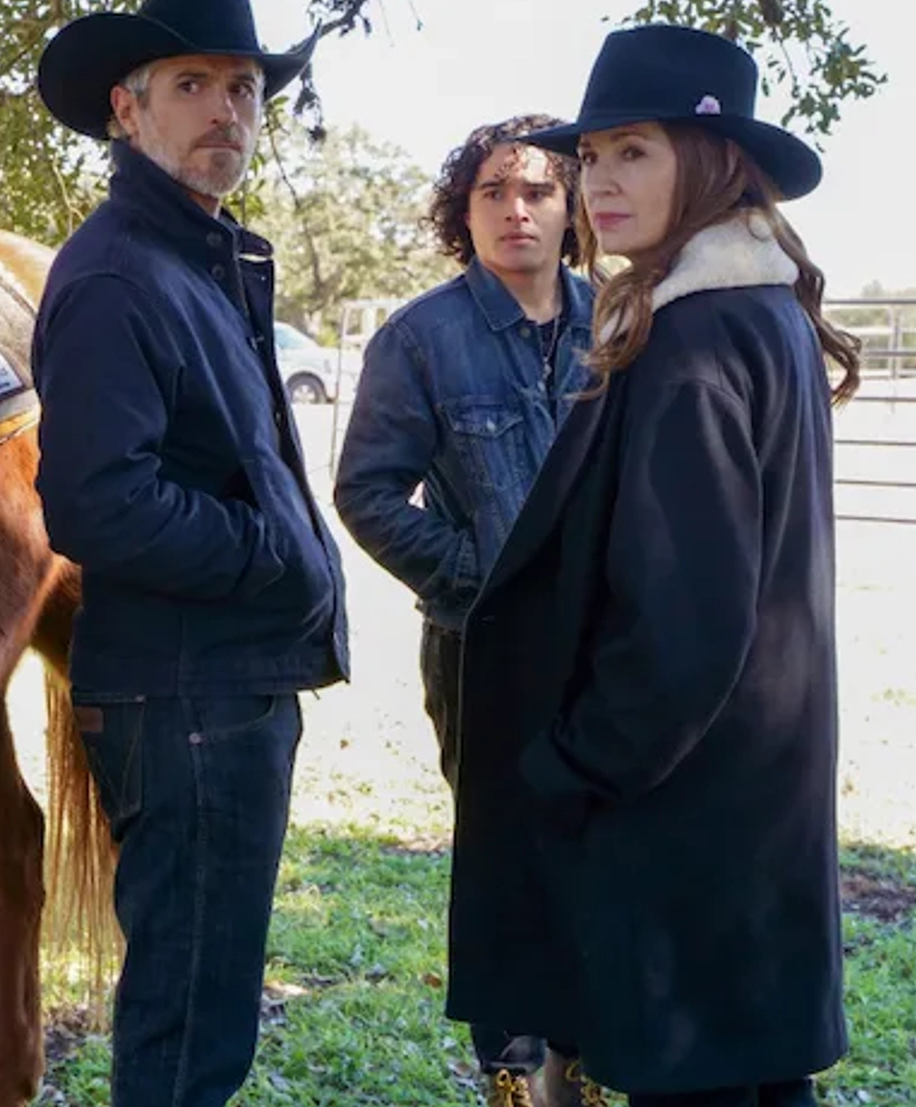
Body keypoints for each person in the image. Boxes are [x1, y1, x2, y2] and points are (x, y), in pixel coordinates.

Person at [450, 23, 860, 1107]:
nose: (599, 184)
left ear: (713, 160)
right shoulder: (760, 313)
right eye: (592, 158)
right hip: (745, 809)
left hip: (687, 819)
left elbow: (687, 625)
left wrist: (573, 765)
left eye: (634, 152)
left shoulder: (696, 339)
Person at [29, 0, 351, 1107]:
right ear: (129, 106)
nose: (228, 111)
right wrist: (273, 556)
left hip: (219, 687)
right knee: (187, 1021)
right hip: (189, 700)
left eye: (245, 87)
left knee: (203, 1004)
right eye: (194, 83)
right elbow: (95, 505)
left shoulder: (199, 259)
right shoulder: (121, 274)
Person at [333, 114, 597, 1106]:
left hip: (609, 654)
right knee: (503, 861)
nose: (516, 209)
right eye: (493, 191)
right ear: (464, 212)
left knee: (599, 849)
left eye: (537, 190)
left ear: (570, 207)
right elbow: (366, 492)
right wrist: (485, 583)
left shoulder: (621, 320)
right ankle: (515, 1077)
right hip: (483, 650)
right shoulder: (422, 338)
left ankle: (583, 1065)